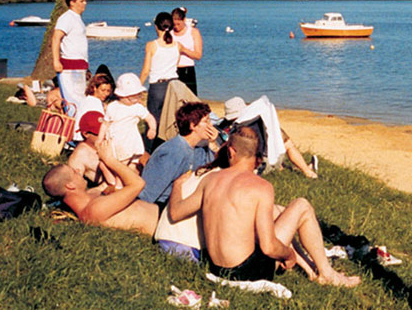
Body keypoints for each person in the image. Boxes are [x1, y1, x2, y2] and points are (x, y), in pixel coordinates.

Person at [168, 125, 360, 287]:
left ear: (231, 151)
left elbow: (175, 213)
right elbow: (268, 247)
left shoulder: (210, 180)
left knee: (279, 211)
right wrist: (289, 255)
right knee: (302, 206)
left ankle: (311, 269)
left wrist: (177, 186)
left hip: (216, 267)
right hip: (248, 271)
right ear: (256, 155)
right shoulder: (261, 187)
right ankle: (327, 274)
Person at [42, 138, 159, 236]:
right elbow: (138, 184)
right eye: (74, 172)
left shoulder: (91, 194)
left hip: (163, 210)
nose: (78, 171)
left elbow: (109, 184)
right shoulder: (92, 211)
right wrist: (109, 160)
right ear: (70, 185)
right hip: (164, 224)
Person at [138, 101, 218, 207]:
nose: (211, 125)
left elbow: (210, 169)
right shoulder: (173, 151)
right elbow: (149, 193)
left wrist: (212, 143)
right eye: (206, 121)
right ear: (193, 126)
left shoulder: (197, 149)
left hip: (180, 201)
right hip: (163, 205)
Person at [221, 96, 318, 179]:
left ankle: (285, 167)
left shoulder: (234, 130)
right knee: (286, 142)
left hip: (251, 166)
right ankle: (307, 171)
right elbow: (287, 144)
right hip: (265, 164)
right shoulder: (264, 123)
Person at [139, 11, 180, 152]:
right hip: (174, 85)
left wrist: (138, 88)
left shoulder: (152, 45)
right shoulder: (177, 45)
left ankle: (148, 152)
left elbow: (146, 70)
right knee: (171, 122)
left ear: (156, 27)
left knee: (153, 122)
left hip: (158, 86)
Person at [103, 73, 157, 167]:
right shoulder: (112, 107)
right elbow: (105, 123)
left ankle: (120, 180)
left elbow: (149, 118)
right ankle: (118, 180)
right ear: (121, 96)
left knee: (122, 166)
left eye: (138, 96)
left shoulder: (136, 107)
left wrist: (152, 128)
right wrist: (100, 138)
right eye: (132, 97)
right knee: (106, 165)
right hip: (115, 142)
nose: (136, 100)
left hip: (130, 143)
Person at [51, 0, 89, 112]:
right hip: (69, 65)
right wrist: (56, 61)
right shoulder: (66, 18)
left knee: (80, 97)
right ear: (72, 2)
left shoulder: (78, 18)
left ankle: (77, 126)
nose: (85, 3)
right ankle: (72, 125)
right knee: (72, 99)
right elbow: (56, 38)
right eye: (82, 1)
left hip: (80, 65)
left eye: (85, 1)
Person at [68, 110, 119, 188]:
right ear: (86, 134)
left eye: (106, 130)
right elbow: (74, 188)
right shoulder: (80, 155)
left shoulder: (110, 140)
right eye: (100, 133)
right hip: (113, 188)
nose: (105, 134)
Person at [170, 7, 203, 95]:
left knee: (190, 99)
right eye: (174, 24)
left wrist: (183, 49)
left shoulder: (193, 32)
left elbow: (198, 55)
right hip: (172, 70)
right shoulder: (169, 33)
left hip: (187, 70)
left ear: (184, 20)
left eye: (178, 24)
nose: (176, 27)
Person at [73, 73, 113, 141]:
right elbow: (99, 123)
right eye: (103, 90)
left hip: (77, 136)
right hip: (84, 138)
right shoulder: (94, 103)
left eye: (108, 91)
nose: (106, 94)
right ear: (94, 88)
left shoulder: (87, 99)